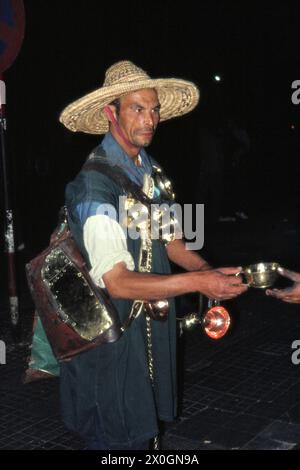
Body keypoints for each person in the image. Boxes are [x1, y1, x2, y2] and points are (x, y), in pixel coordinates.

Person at [57, 60, 248, 450]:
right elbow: (118, 282)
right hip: (112, 338)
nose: (151, 119)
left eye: (155, 109)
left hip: (149, 330)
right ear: (111, 112)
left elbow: (170, 240)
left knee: (145, 432)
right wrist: (198, 282)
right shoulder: (94, 187)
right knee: (116, 438)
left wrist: (210, 272)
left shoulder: (149, 169)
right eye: (137, 109)